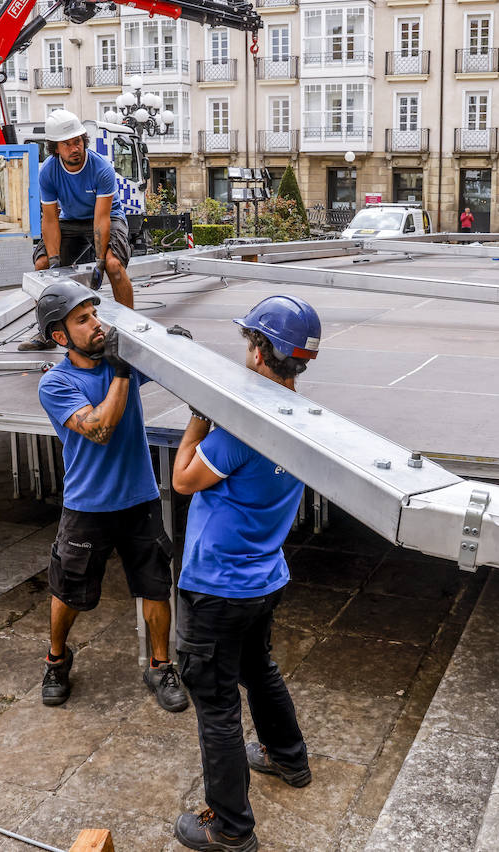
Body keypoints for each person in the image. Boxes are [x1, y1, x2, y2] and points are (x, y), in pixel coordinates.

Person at [170, 295, 321, 852]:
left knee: (215, 706)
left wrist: (198, 415)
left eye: (249, 342)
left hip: (217, 587)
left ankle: (230, 829)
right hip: (264, 579)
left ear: (260, 351)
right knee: (258, 669)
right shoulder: (304, 417)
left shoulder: (240, 431)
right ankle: (288, 759)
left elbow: (183, 479)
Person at [33, 279, 188, 714]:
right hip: (88, 506)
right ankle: (56, 660)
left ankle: (161, 666)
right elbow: (99, 428)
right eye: (83, 320)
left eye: (95, 314)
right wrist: (122, 371)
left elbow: (168, 366)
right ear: (60, 335)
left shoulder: (120, 361)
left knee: (155, 586)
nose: (97, 324)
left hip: (139, 498)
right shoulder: (57, 384)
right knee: (69, 590)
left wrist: (174, 345)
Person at [20, 109, 132, 350]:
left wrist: (100, 261)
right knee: (42, 267)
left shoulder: (101, 168)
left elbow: (101, 219)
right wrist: (54, 263)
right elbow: (50, 219)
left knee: (113, 264)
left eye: (78, 141)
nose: (75, 148)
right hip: (70, 220)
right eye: (67, 144)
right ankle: (48, 334)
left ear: (84, 140)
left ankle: (128, 332)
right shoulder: (48, 171)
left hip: (107, 216)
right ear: (55, 148)